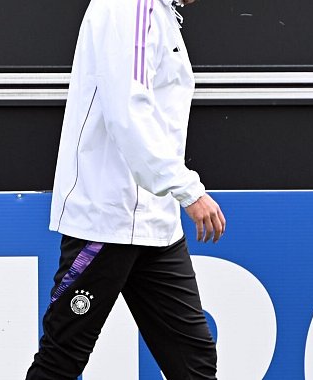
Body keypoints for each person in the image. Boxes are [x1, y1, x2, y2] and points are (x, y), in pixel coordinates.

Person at [26, 0, 225, 378]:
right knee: (61, 358)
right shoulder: (129, 6)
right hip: (107, 221)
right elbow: (129, 111)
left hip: (156, 224)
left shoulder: (159, 11)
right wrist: (187, 189)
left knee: (194, 362)